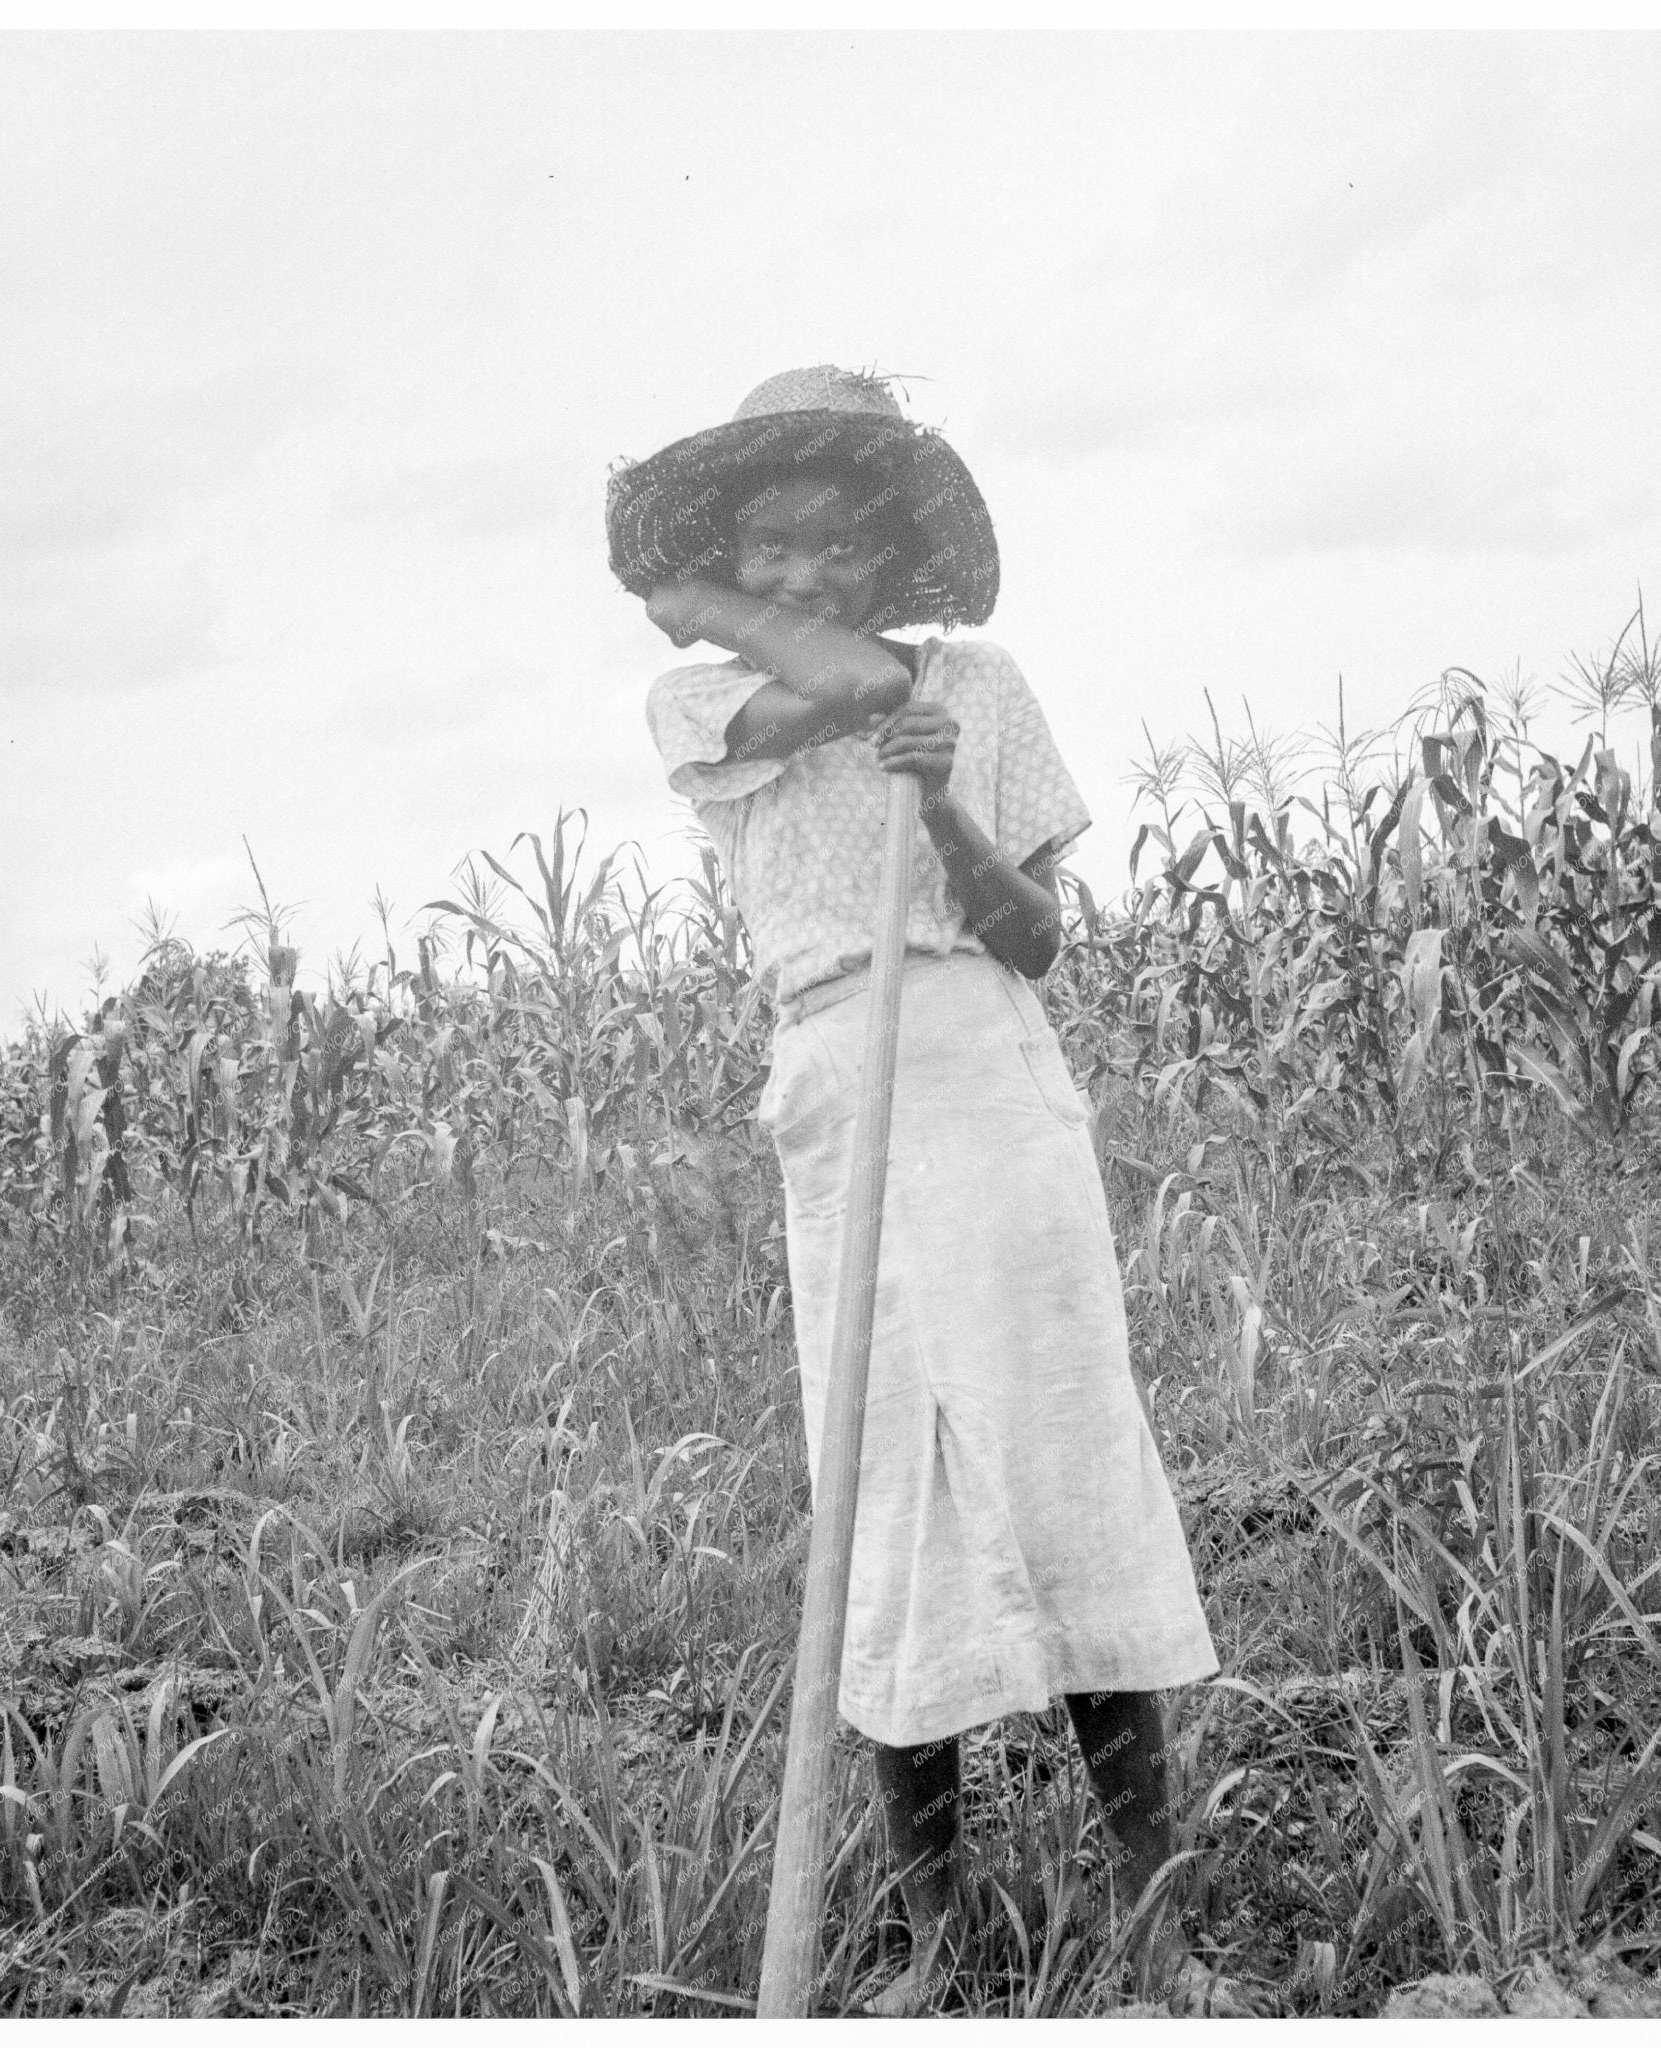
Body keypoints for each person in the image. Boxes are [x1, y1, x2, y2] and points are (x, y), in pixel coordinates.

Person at [608, 366, 1257, 2016]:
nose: (806, 573)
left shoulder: (984, 685)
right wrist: (685, 601)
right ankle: (932, 1935)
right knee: (882, 1486)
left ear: (892, 549)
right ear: (727, 562)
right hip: (838, 1078)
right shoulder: (694, 700)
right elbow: (836, 682)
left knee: (1061, 1451)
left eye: (839, 543)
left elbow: (1035, 939)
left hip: (981, 1060)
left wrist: (950, 803)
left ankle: (1157, 1922)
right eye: (768, 546)